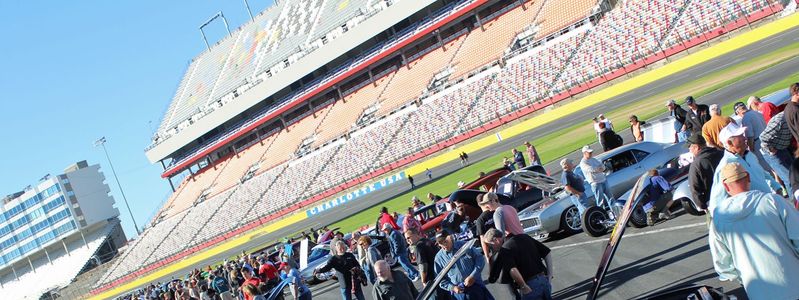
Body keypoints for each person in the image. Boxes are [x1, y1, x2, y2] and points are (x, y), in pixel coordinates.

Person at [708, 162, 799, 299]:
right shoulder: (773, 201)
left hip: (758, 291)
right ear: (748, 178)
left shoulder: (718, 219)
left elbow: (723, 265)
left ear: (725, 186)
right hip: (793, 283)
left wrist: (743, 277)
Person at [708, 122, 777, 214]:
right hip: (753, 214)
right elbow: (718, 198)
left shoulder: (750, 155)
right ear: (729, 142)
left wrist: (776, 187)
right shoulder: (726, 165)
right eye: (740, 136)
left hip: (768, 206)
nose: (745, 138)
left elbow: (763, 174)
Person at [485, 228, 553, 300]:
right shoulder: (524, 237)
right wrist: (549, 275)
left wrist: (523, 286)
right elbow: (547, 252)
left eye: (490, 245)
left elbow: (513, 270)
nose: (491, 249)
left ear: (496, 240)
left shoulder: (505, 249)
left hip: (530, 285)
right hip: (544, 280)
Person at [434, 232, 493, 300]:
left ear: (450, 237)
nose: (444, 245)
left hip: (476, 286)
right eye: (441, 243)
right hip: (459, 294)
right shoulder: (438, 258)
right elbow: (440, 280)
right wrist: (452, 288)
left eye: (445, 241)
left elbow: (479, 258)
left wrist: (473, 276)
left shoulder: (463, 245)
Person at [404, 228, 449, 300]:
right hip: (442, 275)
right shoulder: (428, 241)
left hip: (432, 281)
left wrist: (423, 281)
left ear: (416, 235)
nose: (407, 240)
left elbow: (423, 266)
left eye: (408, 237)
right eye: (406, 239)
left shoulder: (418, 247)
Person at [686, 134, 723, 212]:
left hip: (713, 202)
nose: (689, 150)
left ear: (697, 147)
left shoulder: (696, 164)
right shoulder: (721, 153)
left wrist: (702, 205)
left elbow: (694, 187)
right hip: (730, 194)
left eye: (690, 147)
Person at [759, 111, 793, 193]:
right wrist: (772, 150)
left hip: (783, 148)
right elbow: (763, 137)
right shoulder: (780, 119)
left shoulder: (791, 115)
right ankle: (795, 204)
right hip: (773, 153)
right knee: (790, 180)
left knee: (794, 176)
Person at [735, 101, 770, 171]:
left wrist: (751, 149)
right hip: (767, 139)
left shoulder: (746, 118)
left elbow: (750, 136)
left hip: (758, 143)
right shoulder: (756, 112)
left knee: (767, 167)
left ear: (738, 112)